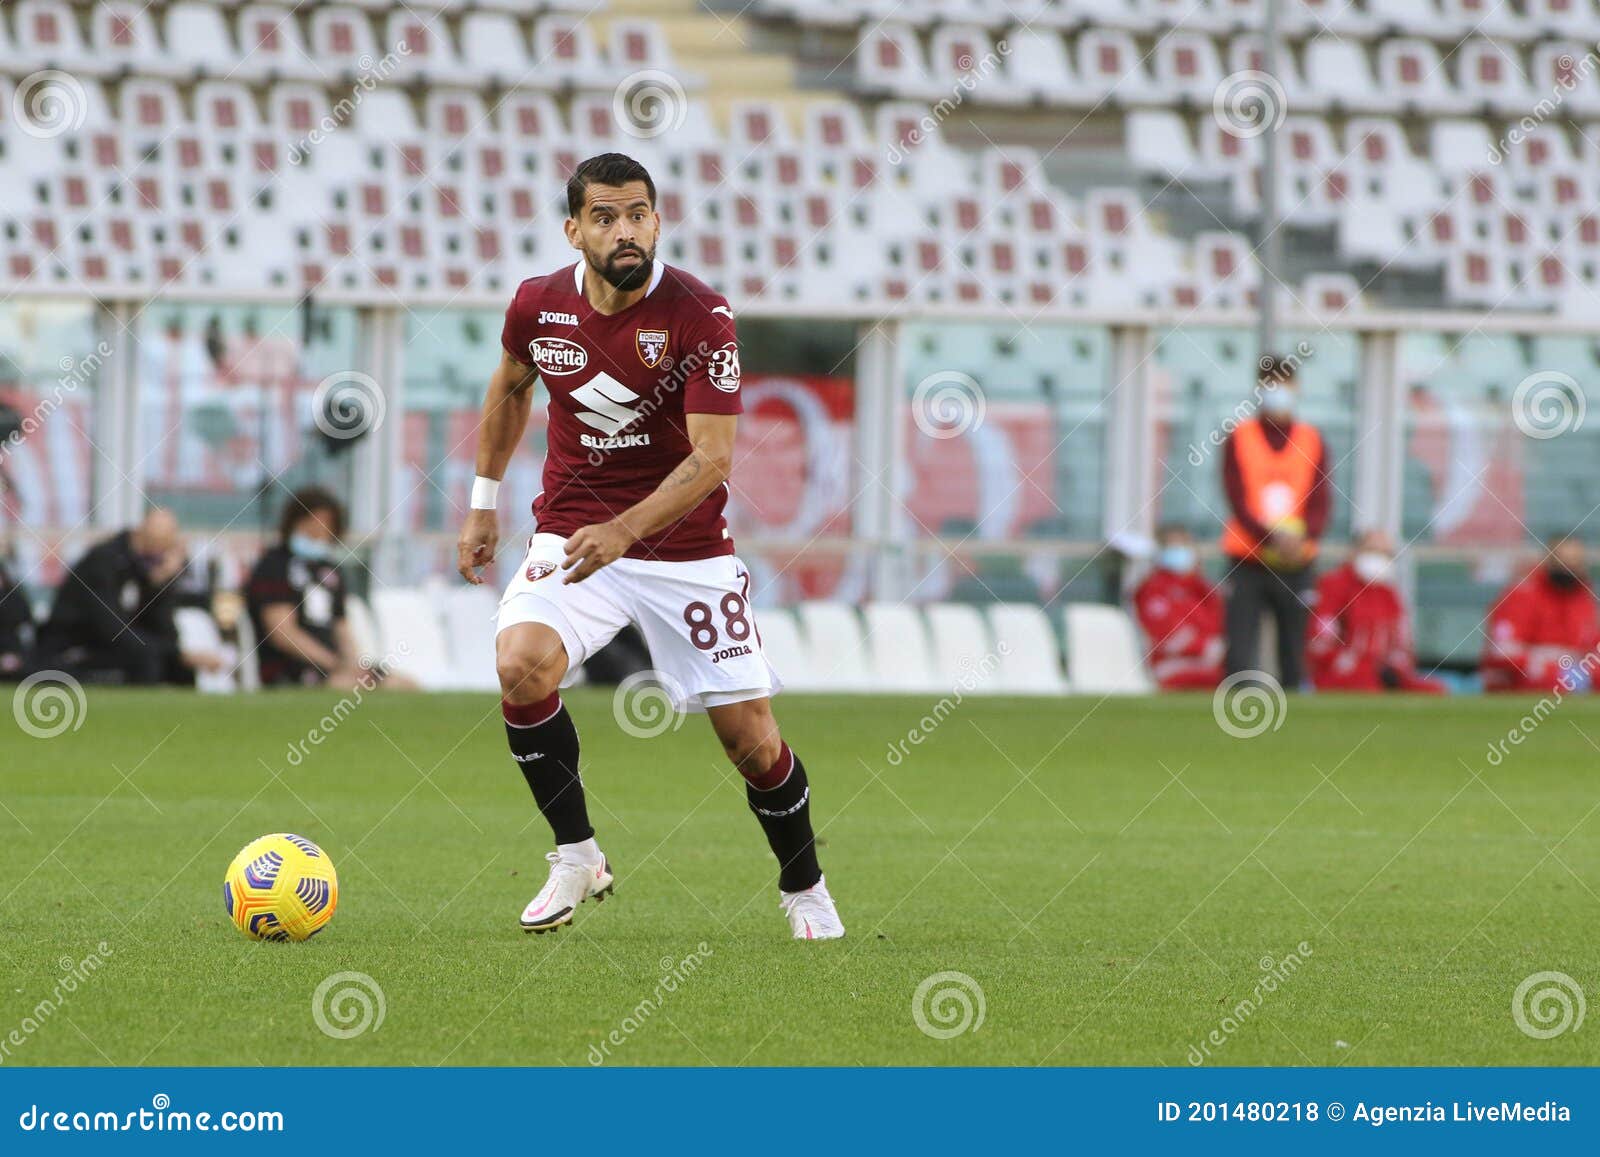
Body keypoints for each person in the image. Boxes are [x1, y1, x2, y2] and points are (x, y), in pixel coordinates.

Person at [457, 152, 842, 940]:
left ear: (658, 220)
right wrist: (483, 502)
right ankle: (575, 852)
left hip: (686, 553)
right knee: (520, 664)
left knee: (751, 740)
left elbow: (714, 460)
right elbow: (509, 389)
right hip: (573, 528)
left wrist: (626, 528)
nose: (625, 231)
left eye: (638, 214)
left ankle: (806, 888)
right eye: (604, 216)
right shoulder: (537, 305)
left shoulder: (703, 317)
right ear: (573, 229)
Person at [1220, 356, 1330, 688]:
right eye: (1270, 384)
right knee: (1239, 648)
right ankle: (1235, 718)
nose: (1277, 392)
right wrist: (1270, 537)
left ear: (1295, 389)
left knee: (1294, 650)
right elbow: (1236, 497)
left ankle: (1295, 716)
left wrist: (1303, 537)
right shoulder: (1240, 436)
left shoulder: (1311, 439)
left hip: (1297, 562)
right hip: (1247, 559)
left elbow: (1320, 499)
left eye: (1283, 384)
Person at [36, 507, 221, 684]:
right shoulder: (103, 563)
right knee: (148, 659)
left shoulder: (146, 573)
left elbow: (161, 629)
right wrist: (178, 654)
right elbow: (113, 630)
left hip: (114, 649)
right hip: (73, 651)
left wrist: (160, 585)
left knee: (178, 668)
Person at [246, 487, 394, 691]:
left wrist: (354, 664)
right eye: (312, 523)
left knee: (400, 683)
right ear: (295, 522)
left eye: (325, 525)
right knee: (351, 687)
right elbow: (283, 633)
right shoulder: (274, 566)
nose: (319, 531)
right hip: (292, 669)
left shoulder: (330, 569)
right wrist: (333, 664)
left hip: (335, 667)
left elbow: (342, 627)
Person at [1306, 530, 1445, 693]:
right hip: (1342, 674)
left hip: (1382, 672)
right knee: (1368, 685)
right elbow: (1321, 639)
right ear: (1354, 552)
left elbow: (1401, 641)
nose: (1378, 558)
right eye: (1372, 550)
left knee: (1434, 690)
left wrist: (1394, 668)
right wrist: (1350, 663)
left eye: (1385, 553)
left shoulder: (1388, 592)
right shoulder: (1333, 585)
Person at [1482, 534, 1599, 694]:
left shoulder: (1584, 597)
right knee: (1556, 680)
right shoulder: (1523, 594)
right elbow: (1502, 651)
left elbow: (1592, 646)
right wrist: (1551, 663)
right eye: (1561, 561)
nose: (1567, 568)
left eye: (1574, 562)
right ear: (1549, 561)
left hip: (1570, 677)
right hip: (1519, 683)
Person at [1132, 525, 1224, 689]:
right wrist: (1202, 646)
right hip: (1170, 664)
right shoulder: (1153, 589)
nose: (1179, 551)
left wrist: (1215, 647)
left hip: (1209, 661)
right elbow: (1162, 634)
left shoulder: (1202, 587)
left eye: (1183, 545)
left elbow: (1218, 625)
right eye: (1172, 546)